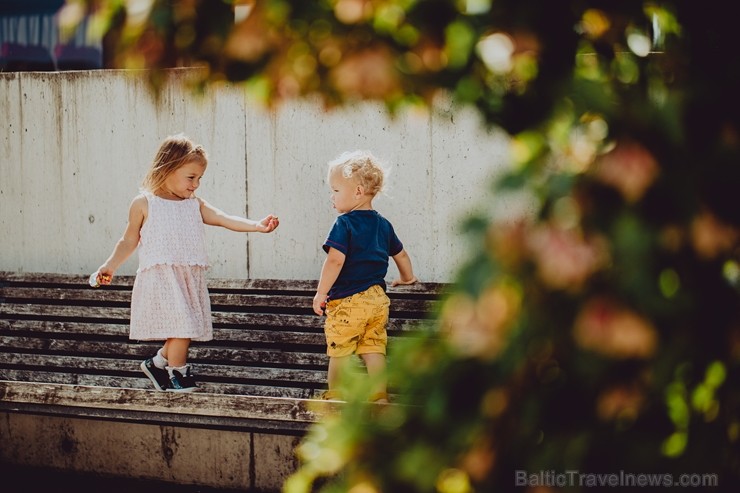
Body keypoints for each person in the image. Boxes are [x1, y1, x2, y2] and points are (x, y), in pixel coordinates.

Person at [92, 134, 279, 392]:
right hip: (162, 278)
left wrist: (256, 226)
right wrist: (110, 266)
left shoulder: (194, 205)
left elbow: (223, 218)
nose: (196, 185)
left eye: (199, 178)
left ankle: (157, 363)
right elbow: (128, 240)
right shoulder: (145, 203)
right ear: (167, 169)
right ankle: (177, 373)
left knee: (182, 328)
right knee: (182, 327)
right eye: (191, 177)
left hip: (188, 278)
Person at [312, 150, 418, 404]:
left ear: (358, 191)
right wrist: (407, 278)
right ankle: (379, 396)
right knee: (373, 349)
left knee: (339, 350)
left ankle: (336, 396)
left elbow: (335, 260)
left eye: (336, 190)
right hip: (377, 301)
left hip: (348, 301)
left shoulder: (344, 223)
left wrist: (321, 292)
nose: (332, 196)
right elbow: (401, 255)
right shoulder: (383, 225)